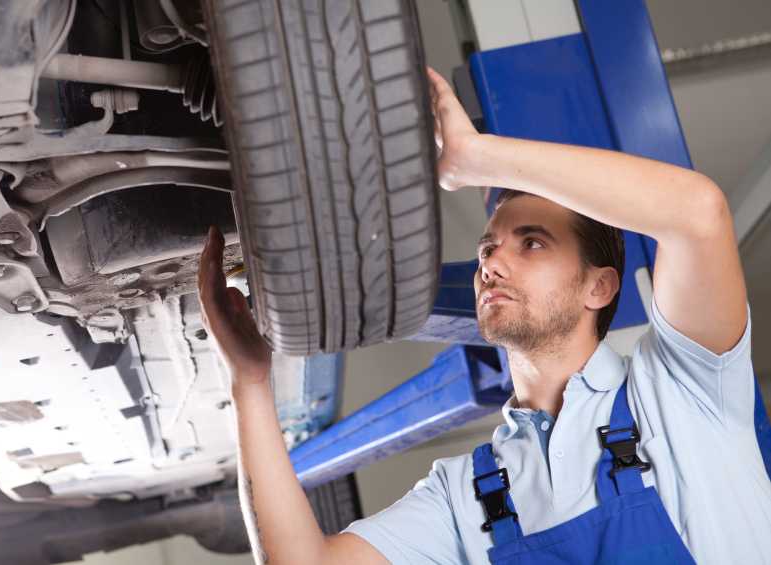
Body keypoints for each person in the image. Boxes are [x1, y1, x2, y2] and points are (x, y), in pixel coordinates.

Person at [196, 67, 771, 564]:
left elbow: (697, 212)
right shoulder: (466, 490)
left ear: (600, 286)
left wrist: (479, 158)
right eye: (487, 248)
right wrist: (249, 384)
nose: (491, 261)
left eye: (533, 243)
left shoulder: (683, 387)